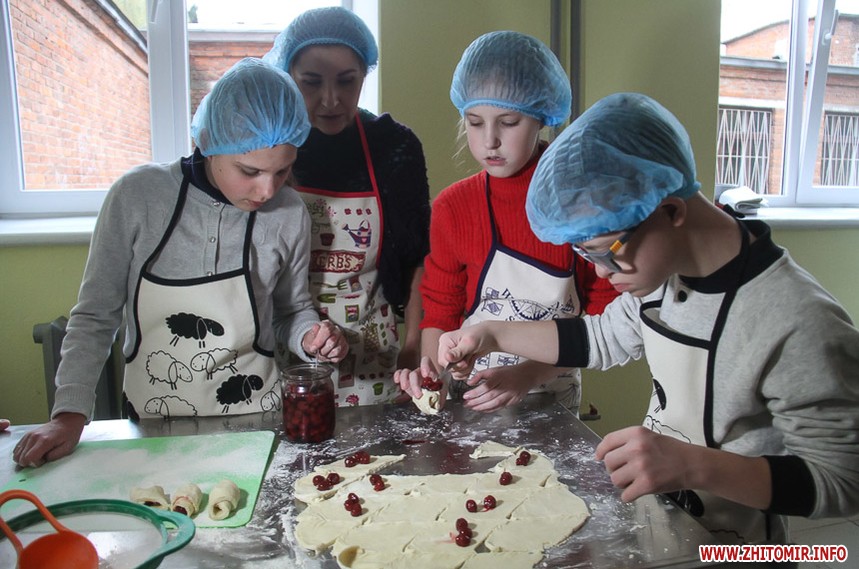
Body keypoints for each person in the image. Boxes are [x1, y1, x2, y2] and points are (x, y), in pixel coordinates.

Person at [436, 93, 859, 544]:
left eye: (605, 253)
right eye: (585, 254)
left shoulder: (798, 321)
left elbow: (843, 482)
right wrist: (490, 333)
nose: (601, 272)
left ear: (671, 211)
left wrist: (692, 465)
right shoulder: (664, 275)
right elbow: (601, 338)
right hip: (663, 528)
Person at [13, 58, 347, 468]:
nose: (266, 190)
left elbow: (290, 310)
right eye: (250, 171)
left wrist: (310, 336)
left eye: (283, 171)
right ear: (209, 142)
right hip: (151, 426)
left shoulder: (288, 213)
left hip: (258, 423)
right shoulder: (138, 197)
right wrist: (69, 414)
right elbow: (96, 316)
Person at [394, 31, 617, 414]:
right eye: (475, 122)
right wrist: (433, 376)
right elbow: (442, 308)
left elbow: (605, 318)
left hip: (552, 398)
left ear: (541, 116)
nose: (489, 141)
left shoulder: (577, 200)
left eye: (509, 122)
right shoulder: (453, 207)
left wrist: (529, 374)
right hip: (472, 400)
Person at [263, 7, 431, 406]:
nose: (331, 99)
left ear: (364, 75)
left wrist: (414, 347)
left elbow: (419, 259)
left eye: (346, 80)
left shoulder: (393, 146)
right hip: (286, 361)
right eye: (311, 82)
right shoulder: (269, 147)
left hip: (377, 360)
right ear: (288, 75)